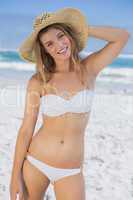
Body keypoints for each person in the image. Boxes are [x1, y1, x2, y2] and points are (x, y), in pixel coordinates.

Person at [9, 7, 130, 200]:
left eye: (61, 35)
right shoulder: (39, 81)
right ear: (45, 51)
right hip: (36, 162)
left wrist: (82, 28)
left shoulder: (89, 68)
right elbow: (26, 129)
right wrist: (14, 175)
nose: (58, 45)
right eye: (49, 44)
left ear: (70, 35)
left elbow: (122, 37)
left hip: (70, 171)